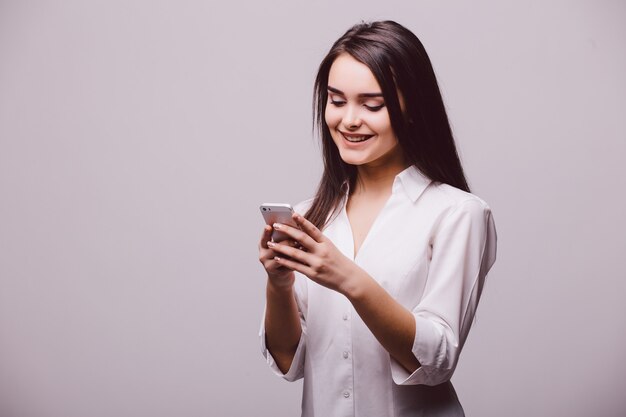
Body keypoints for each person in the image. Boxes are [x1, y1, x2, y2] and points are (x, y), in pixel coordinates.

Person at [258, 20, 497, 417]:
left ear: (413, 109)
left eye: (373, 105)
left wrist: (347, 277)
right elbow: (288, 362)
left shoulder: (459, 214)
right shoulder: (308, 217)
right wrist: (278, 283)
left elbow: (436, 359)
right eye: (336, 101)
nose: (350, 120)